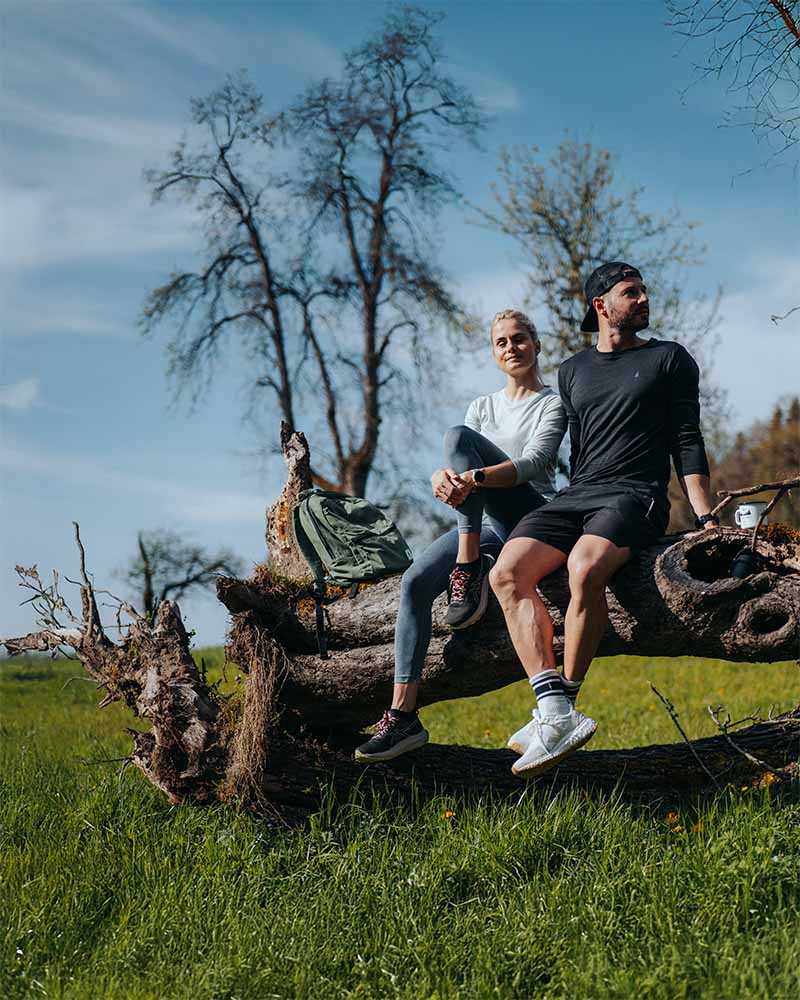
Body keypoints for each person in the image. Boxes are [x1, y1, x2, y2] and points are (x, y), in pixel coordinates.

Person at [489, 262, 719, 777]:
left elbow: (687, 440)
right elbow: (573, 450)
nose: (643, 299)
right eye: (630, 292)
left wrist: (705, 516)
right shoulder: (572, 371)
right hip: (578, 494)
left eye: (643, 291)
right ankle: (554, 710)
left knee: (585, 567)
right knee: (506, 573)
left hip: (636, 495)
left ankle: (561, 709)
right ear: (601, 305)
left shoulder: (669, 359)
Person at [355, 309, 567, 762]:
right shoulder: (482, 407)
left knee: (459, 438)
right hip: (487, 526)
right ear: (493, 353)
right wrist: (442, 477)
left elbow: (533, 463)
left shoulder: (552, 403)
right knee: (414, 583)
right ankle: (403, 716)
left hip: (533, 518)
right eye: (501, 342)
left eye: (519, 338)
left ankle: (468, 570)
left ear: (537, 345)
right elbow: (459, 468)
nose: (511, 347)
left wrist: (472, 478)